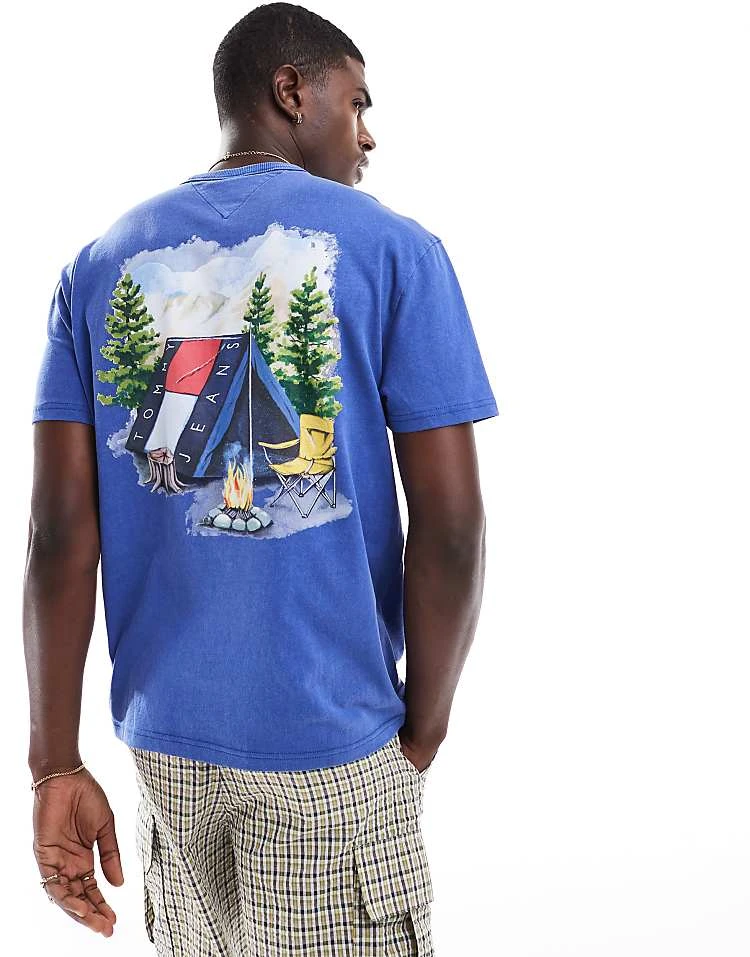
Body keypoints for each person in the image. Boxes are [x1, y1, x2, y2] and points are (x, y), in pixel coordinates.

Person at [24, 3, 498, 952]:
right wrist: (422, 735)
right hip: (333, 744)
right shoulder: (398, 251)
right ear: (291, 90)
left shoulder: (96, 264)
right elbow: (450, 528)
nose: (368, 134)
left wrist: (53, 764)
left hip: (167, 754)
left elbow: (59, 538)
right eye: (356, 103)